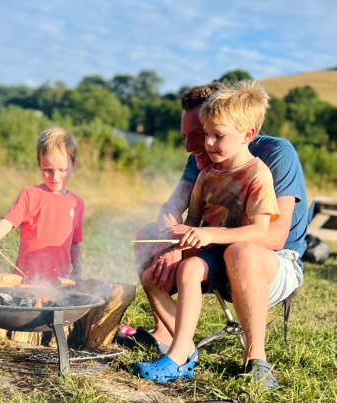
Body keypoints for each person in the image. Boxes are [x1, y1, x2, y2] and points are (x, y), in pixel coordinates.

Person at [131, 82, 307, 387]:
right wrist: (173, 244)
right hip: (215, 252)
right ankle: (173, 341)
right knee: (148, 239)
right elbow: (175, 208)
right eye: (194, 135)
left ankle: (256, 360)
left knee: (240, 251)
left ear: (243, 132)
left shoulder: (272, 157)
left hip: (270, 260)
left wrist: (206, 235)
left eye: (200, 134)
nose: (194, 146)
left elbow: (274, 236)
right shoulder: (207, 162)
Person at [0, 128, 83, 284]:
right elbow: (9, 220)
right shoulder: (31, 195)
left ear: (73, 165)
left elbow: (74, 243)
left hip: (58, 283)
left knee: (53, 308)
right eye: (48, 170)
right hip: (26, 280)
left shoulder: (77, 204)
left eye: (62, 170)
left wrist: (77, 269)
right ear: (39, 164)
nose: (55, 177)